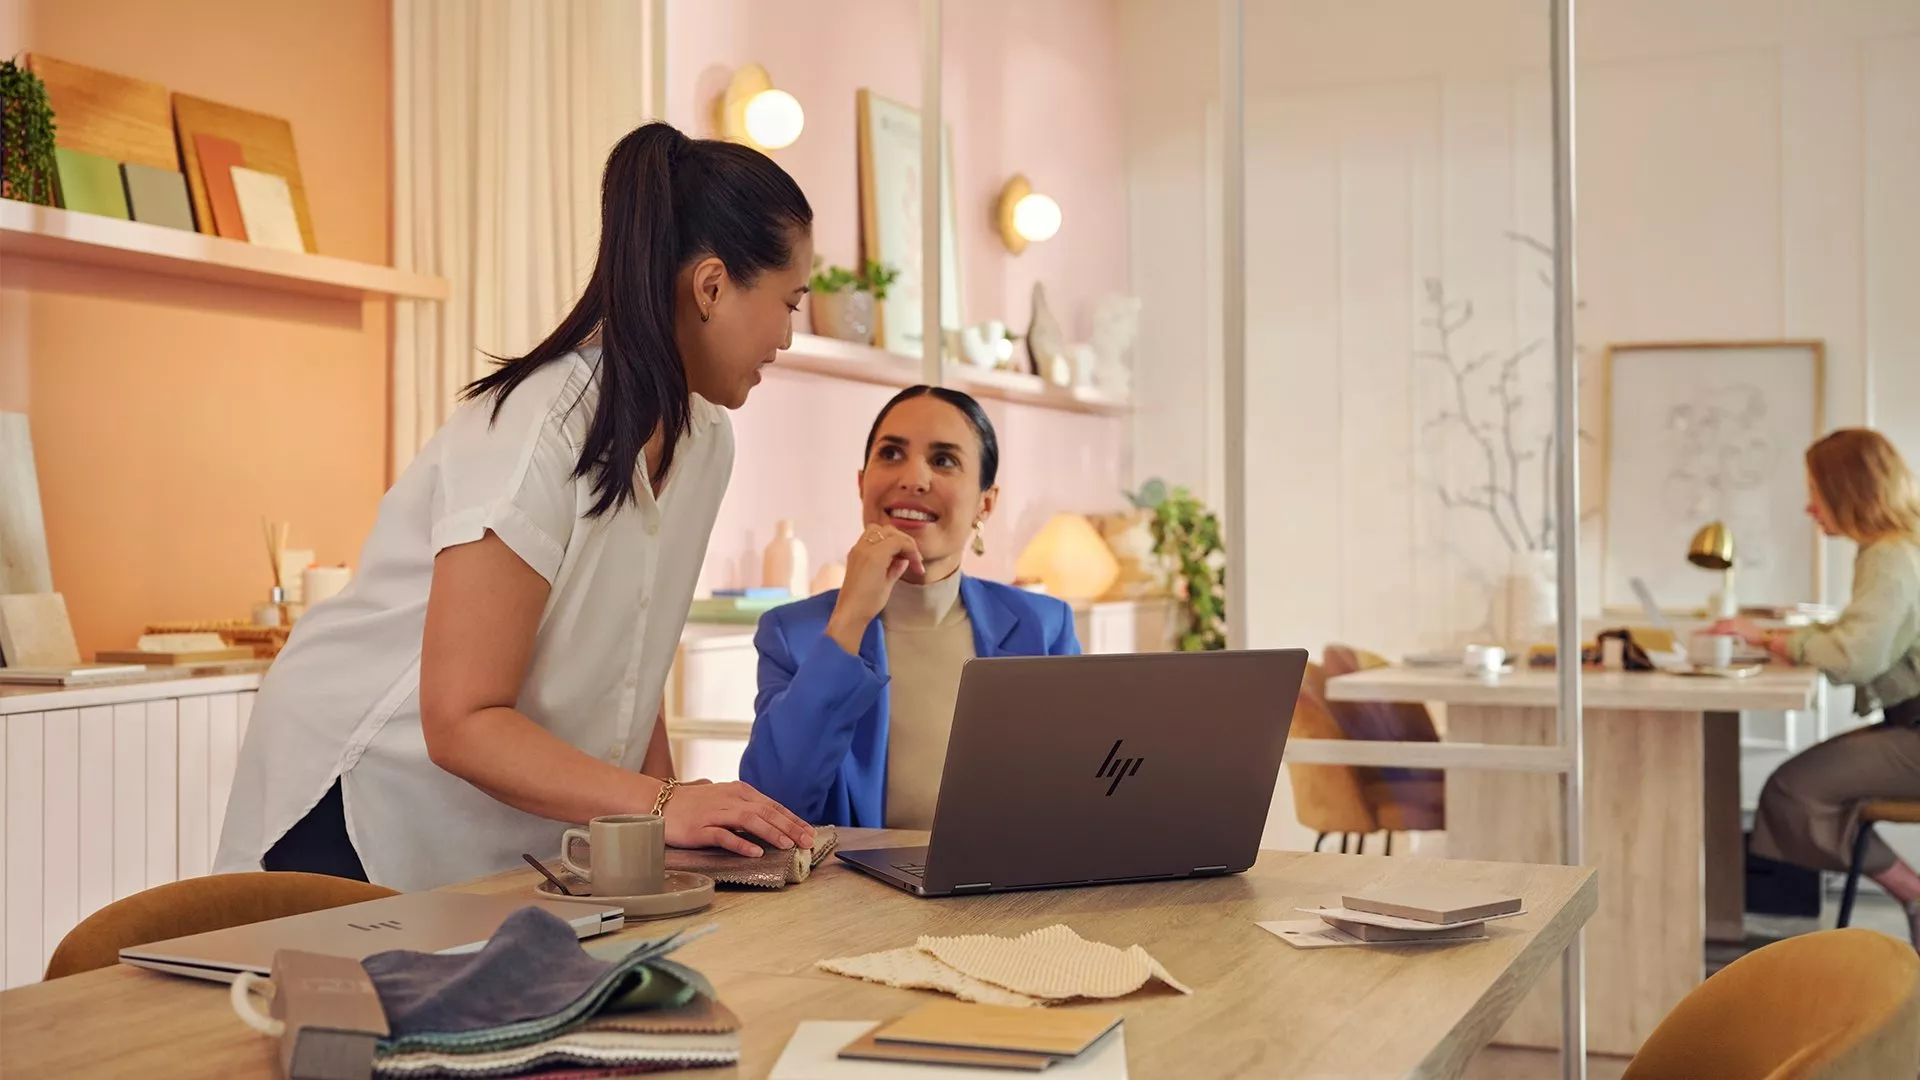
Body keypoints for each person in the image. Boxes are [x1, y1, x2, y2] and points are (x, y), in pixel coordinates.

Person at [214, 122, 817, 891]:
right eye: (788, 302)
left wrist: (671, 842)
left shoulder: (707, 441)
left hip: (491, 818)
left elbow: (631, 662)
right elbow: (461, 722)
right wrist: (664, 804)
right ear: (710, 286)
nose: (789, 337)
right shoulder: (538, 428)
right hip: (362, 791)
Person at [740, 386, 1082, 827]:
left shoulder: (1045, 627)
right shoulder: (793, 634)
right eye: (891, 454)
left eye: (943, 460)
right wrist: (849, 621)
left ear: (986, 503)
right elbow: (773, 806)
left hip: (1006, 891)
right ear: (862, 484)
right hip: (857, 894)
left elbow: (1079, 797)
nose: (913, 478)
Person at [1713, 428, 1920, 943]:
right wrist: (1786, 638)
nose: (1809, 507)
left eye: (1815, 491)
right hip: (1909, 725)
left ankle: (1913, 892)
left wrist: (1769, 638)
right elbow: (1860, 633)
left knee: (1791, 792)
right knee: (1810, 787)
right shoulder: (1899, 545)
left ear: (1848, 489)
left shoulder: (1890, 557)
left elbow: (1854, 657)